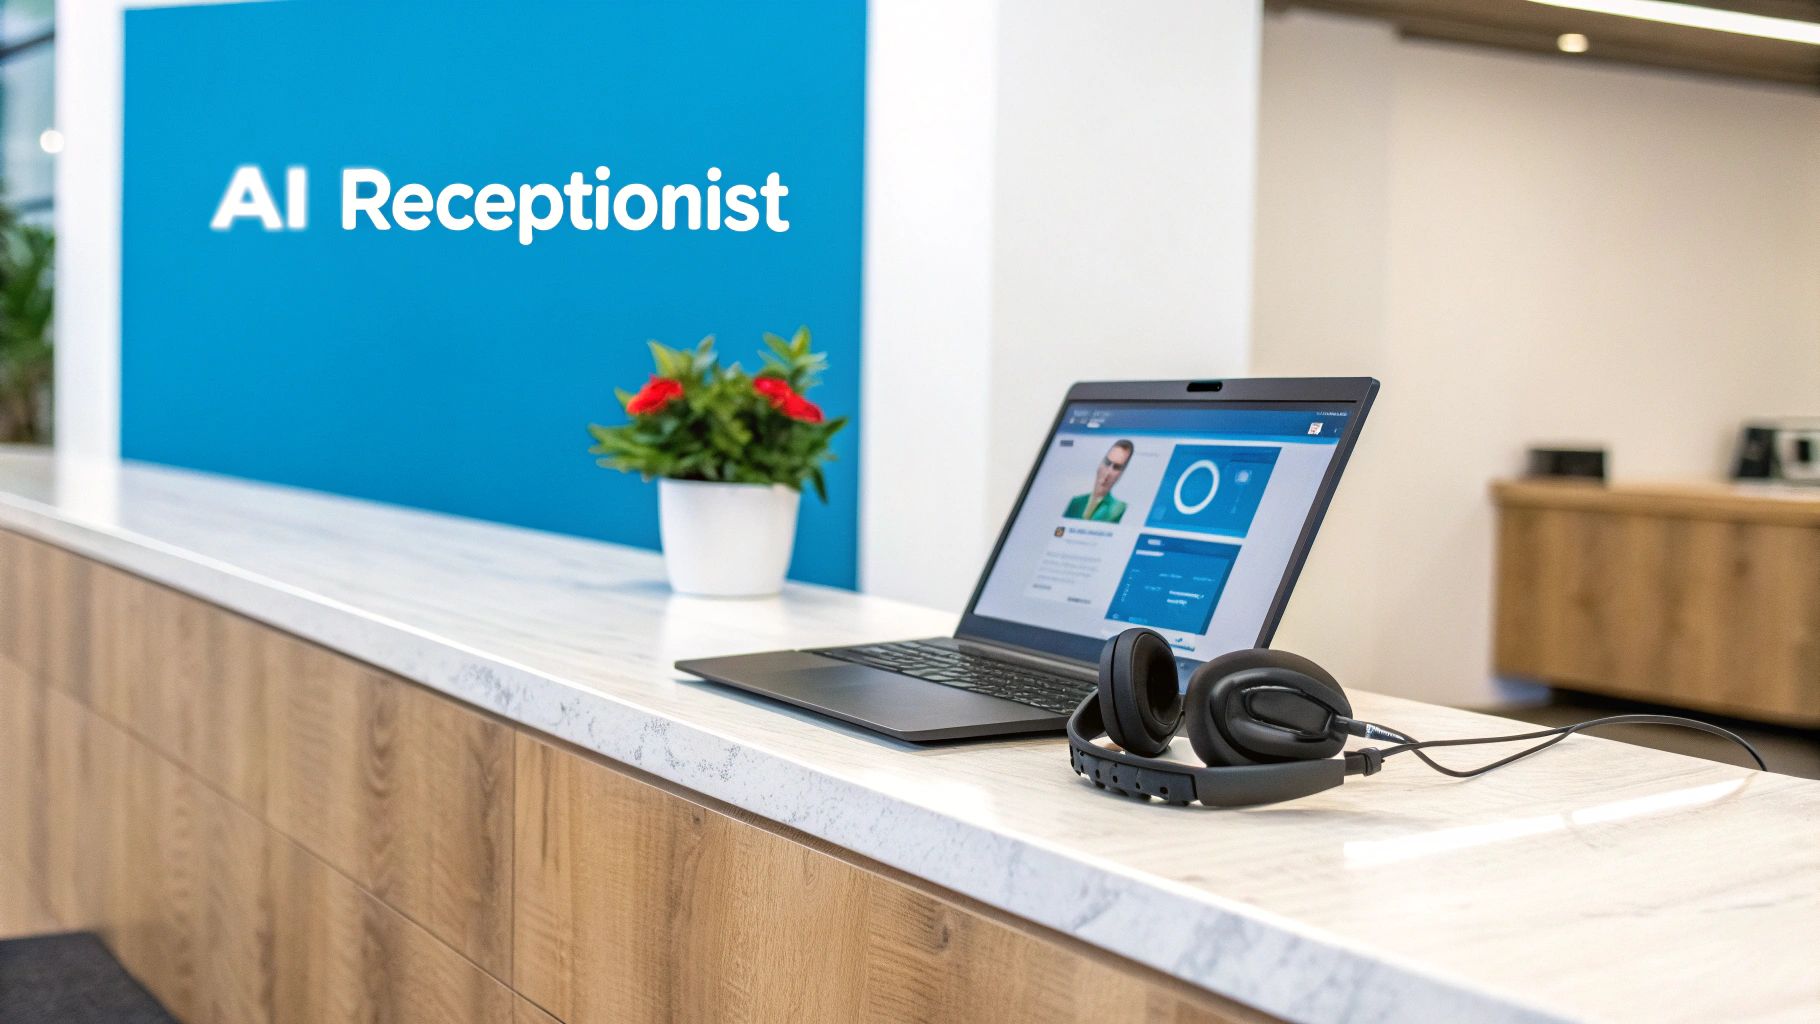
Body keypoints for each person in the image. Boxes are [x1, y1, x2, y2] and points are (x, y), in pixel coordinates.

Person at [1064, 440, 1132, 523]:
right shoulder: (1076, 502)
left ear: (1121, 473)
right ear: (1100, 463)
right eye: (1107, 462)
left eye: (1116, 467)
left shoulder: (1118, 509)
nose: (1107, 473)